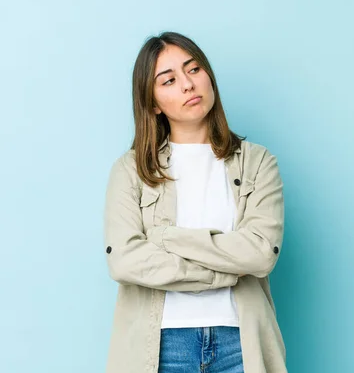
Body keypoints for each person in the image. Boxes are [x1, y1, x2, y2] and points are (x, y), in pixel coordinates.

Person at [103, 31, 287, 373]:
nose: (188, 85)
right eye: (169, 80)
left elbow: (260, 254)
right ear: (153, 103)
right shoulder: (131, 170)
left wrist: (166, 237)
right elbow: (125, 260)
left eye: (194, 69)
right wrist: (221, 274)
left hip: (239, 343)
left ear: (208, 77)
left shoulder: (258, 163)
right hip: (161, 346)